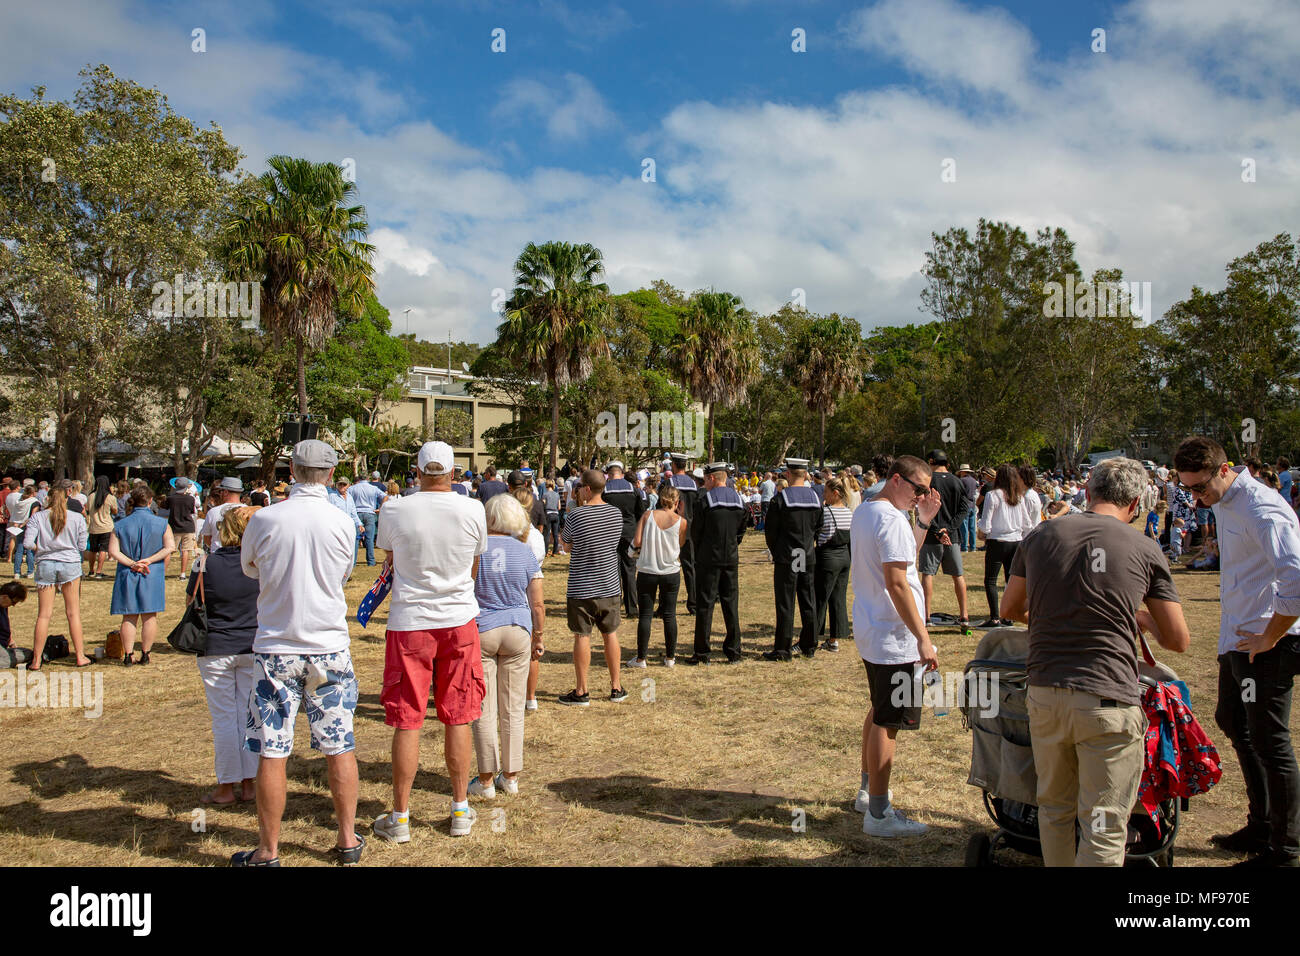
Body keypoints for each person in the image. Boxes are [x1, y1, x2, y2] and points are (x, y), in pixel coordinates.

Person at [1000, 456, 1190, 866]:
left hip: (1046, 691)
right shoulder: (1144, 547)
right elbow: (1177, 639)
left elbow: (1011, 607)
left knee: (1054, 809)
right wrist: (1139, 618)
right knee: (1103, 823)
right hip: (1107, 698)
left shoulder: (1040, 535)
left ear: (1087, 492)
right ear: (1137, 502)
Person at [235, 439, 362, 867]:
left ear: (292, 470)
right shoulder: (343, 522)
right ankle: (347, 839)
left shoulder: (266, 518)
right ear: (329, 474)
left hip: (276, 645)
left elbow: (249, 568)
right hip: (328, 647)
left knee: (273, 750)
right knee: (339, 744)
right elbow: (343, 573)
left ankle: (268, 850)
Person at [1175, 436, 1300, 866]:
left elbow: (1296, 581)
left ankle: (1286, 849)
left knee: (1270, 740)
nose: (1195, 497)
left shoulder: (1262, 509)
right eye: (1188, 489)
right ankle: (1262, 824)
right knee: (1233, 719)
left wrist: (1271, 635)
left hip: (1270, 642)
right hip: (1240, 639)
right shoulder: (1226, 504)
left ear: (1224, 469)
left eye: (1200, 487)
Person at [372, 441, 488, 842]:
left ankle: (401, 816)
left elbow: (387, 557)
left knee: (408, 719)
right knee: (458, 713)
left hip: (410, 621)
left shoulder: (395, 508)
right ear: (454, 473)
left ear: (417, 472)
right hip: (458, 619)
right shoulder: (472, 508)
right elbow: (474, 564)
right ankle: (459, 808)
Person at [851, 456, 942, 837]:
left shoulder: (870, 510)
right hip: (894, 636)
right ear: (894, 479)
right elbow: (898, 582)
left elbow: (906, 560)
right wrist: (923, 638)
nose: (921, 495)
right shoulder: (889, 518)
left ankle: (867, 793)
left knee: (879, 710)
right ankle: (879, 812)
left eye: (926, 490)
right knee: (889, 722)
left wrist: (922, 521)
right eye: (916, 488)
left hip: (876, 629)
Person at [468, 494, 544, 799]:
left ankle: (485, 778)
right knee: (513, 706)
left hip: (482, 629)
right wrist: (538, 635)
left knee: (483, 707)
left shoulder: (476, 551)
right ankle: (510, 776)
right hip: (517, 629)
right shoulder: (525, 552)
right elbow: (537, 603)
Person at [191, 506, 262, 805]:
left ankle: (227, 785)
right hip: (251, 643)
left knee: (224, 718)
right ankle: (249, 783)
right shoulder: (260, 565)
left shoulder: (204, 563)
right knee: (250, 716)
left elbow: (192, 602)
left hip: (216, 645)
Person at [558, 468, 627, 705]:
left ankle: (582, 690)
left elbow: (565, 546)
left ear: (587, 489)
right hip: (609, 584)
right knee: (611, 634)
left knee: (582, 636)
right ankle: (616, 686)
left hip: (581, 586)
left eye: (579, 486)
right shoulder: (616, 514)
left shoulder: (576, 516)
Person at [25, 480, 92, 668]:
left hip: (46, 564)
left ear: (47, 498)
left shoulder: (38, 517)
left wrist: (41, 548)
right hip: (70, 564)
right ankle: (80, 656)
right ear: (66, 497)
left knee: (43, 615)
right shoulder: (77, 518)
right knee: (73, 613)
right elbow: (81, 546)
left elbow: (28, 543)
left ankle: (36, 660)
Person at [685, 463, 747, 664]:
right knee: (731, 603)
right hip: (730, 557)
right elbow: (742, 527)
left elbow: (696, 532)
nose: (704, 482)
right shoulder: (738, 500)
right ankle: (734, 650)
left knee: (705, 604)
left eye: (705, 478)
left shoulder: (705, 500)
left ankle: (702, 652)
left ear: (712, 478)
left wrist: (703, 549)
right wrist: (732, 543)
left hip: (708, 558)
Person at [763, 458, 823, 661]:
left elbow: (771, 531)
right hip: (806, 553)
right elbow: (819, 526)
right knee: (808, 600)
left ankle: (782, 648)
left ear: (787, 474)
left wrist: (776, 551)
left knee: (785, 602)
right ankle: (809, 644)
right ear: (805, 474)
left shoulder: (781, 499)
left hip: (788, 555)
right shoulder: (815, 498)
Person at [108, 486, 174, 666]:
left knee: (129, 616)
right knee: (149, 615)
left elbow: (113, 551)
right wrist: (149, 561)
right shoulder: (161, 523)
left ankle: (128, 655)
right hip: (151, 572)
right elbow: (170, 547)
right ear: (150, 501)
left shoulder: (120, 524)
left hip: (127, 572)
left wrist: (132, 563)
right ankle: (146, 653)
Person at [626, 482, 686, 667]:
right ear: (677, 503)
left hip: (647, 569)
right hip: (670, 570)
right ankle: (670, 657)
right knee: (670, 614)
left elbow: (637, 541)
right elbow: (681, 544)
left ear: (660, 499)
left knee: (645, 615)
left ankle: (641, 658)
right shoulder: (681, 522)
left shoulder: (648, 515)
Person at [919, 450, 971, 627]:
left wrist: (937, 530)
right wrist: (949, 529)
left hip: (932, 534)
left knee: (927, 574)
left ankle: (925, 615)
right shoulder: (957, 481)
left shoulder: (928, 481)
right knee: (958, 575)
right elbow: (964, 509)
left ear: (931, 461)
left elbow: (923, 507)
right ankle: (964, 615)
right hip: (952, 535)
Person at [977, 464, 1030, 628]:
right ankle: (1008, 616)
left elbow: (986, 522)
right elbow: (1027, 523)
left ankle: (994, 617)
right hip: (1015, 541)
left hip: (998, 541)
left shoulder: (993, 496)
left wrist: (982, 532)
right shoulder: (1018, 497)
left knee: (991, 580)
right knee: (1011, 579)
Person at [601, 461, 645, 619]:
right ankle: (632, 608)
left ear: (609, 474)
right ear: (621, 472)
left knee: (611, 572)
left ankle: (612, 608)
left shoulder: (604, 490)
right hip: (629, 534)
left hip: (609, 535)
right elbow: (641, 514)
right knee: (630, 571)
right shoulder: (633, 489)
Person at [815, 477, 854, 652]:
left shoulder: (825, 512)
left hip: (827, 557)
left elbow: (816, 532)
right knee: (838, 598)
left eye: (826, 492)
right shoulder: (849, 512)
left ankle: (812, 636)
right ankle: (834, 639)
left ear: (835, 493)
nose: (823, 495)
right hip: (844, 557)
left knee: (820, 598)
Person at [666, 453, 700, 613]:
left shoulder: (670, 483)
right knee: (690, 566)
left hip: (672, 528)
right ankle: (693, 603)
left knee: (666, 566)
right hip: (690, 528)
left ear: (673, 465)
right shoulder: (694, 484)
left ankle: (665, 604)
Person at [201, 477, 245, 557]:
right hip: (242, 557)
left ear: (225, 492)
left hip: (218, 556)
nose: (219, 494)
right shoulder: (248, 511)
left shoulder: (213, 512)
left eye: (220, 491)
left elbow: (207, 539)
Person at [347, 469, 383, 566]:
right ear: (368, 478)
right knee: (369, 539)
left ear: (359, 478)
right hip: (370, 513)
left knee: (356, 539)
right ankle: (371, 561)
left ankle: (353, 562)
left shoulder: (352, 488)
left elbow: (347, 497)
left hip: (357, 513)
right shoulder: (373, 488)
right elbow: (384, 496)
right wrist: (380, 507)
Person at [165, 476, 198, 581]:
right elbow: (192, 511)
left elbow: (165, 507)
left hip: (174, 527)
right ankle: (183, 574)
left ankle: (163, 571)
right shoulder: (190, 498)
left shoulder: (171, 498)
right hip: (188, 527)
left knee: (168, 550)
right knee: (185, 551)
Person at [8, 485, 39, 580]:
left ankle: (17, 572)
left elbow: (15, 514)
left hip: (17, 525)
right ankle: (30, 571)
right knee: (29, 548)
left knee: (19, 549)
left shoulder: (19, 501)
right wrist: (24, 523)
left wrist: (18, 523)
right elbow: (33, 516)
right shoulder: (34, 502)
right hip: (28, 525)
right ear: (33, 493)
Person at [0, 580, 29, 652]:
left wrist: (11, 641)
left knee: (28, 653)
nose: (13, 605)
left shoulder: (3, 606)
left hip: (4, 647)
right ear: (5, 597)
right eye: (13, 602)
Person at [956, 464, 980, 551]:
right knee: (972, 527)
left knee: (964, 527)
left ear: (962, 472)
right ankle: (973, 546)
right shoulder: (974, 481)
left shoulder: (961, 481)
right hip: (972, 505)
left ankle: (964, 547)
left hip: (964, 505)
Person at [541, 480, 561, 556]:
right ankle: (555, 551)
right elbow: (559, 507)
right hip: (555, 514)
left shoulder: (545, 495)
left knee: (547, 534)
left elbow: (543, 505)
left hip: (548, 514)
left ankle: (545, 552)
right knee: (555, 534)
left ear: (546, 485)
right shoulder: (557, 495)